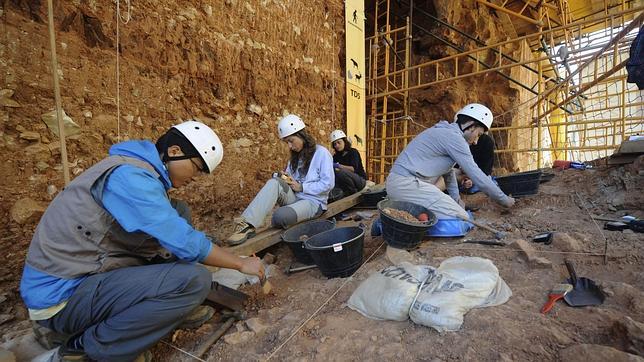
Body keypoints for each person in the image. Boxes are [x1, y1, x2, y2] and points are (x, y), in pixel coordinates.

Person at [20, 120, 265, 361]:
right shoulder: (130, 177)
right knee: (193, 280)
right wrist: (240, 263)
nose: (197, 176)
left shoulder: (137, 170)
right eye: (197, 167)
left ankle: (173, 306)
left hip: (88, 274)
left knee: (178, 210)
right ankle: (85, 350)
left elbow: (175, 230)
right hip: (62, 296)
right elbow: (185, 241)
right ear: (175, 151)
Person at [386, 103, 515, 226]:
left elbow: (448, 173)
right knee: (460, 218)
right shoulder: (454, 138)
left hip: (403, 185)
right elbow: (476, 175)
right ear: (471, 125)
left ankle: (395, 217)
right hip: (406, 185)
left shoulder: (447, 133)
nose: (476, 141)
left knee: (453, 211)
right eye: (478, 135)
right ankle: (386, 223)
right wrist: (504, 200)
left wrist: (456, 200)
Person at [226, 114, 334, 245]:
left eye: (291, 140)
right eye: (286, 142)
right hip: (295, 197)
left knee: (279, 217)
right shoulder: (295, 157)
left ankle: (286, 214)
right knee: (274, 182)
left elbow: (328, 184)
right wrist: (284, 177)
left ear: (302, 135)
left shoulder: (321, 153)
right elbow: (290, 180)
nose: (289, 146)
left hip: (313, 202)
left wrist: (302, 187)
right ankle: (247, 225)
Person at [330, 129, 367, 196]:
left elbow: (353, 169)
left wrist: (338, 166)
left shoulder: (353, 152)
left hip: (360, 181)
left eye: (339, 142)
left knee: (340, 172)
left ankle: (353, 192)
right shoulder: (336, 156)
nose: (337, 145)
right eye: (335, 144)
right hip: (346, 183)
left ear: (344, 141)